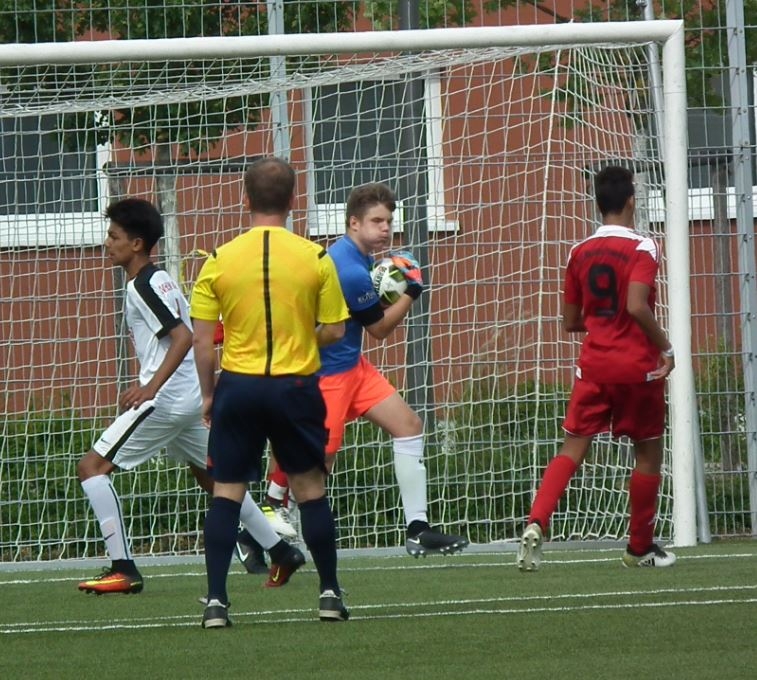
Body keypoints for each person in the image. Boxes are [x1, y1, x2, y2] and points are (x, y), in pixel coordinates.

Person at [77, 198, 304, 595]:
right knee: (215, 479)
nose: (107, 243)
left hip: (166, 401)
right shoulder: (159, 279)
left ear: (136, 244)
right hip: (187, 398)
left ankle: (123, 568)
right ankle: (280, 550)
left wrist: (150, 388)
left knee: (92, 467)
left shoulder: (142, 285)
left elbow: (182, 337)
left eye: (113, 236)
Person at [256, 182, 468, 558]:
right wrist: (411, 290)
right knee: (317, 462)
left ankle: (417, 529)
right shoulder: (350, 269)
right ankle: (266, 526)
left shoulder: (357, 257)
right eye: (377, 221)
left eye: (389, 221)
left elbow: (363, 312)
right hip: (329, 374)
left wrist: (390, 281)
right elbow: (379, 329)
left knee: (408, 426)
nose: (386, 229)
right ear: (354, 222)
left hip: (353, 366)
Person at [190, 157, 351, 628]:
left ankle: (216, 602)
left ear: (245, 199)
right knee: (310, 490)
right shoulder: (315, 258)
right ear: (293, 201)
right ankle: (329, 594)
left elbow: (202, 341)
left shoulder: (218, 259)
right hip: (294, 386)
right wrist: (299, 339)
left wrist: (208, 395)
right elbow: (336, 330)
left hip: (238, 387)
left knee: (226, 493)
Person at [517, 165, 677, 572]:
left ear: (598, 204)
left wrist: (604, 325)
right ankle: (639, 548)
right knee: (647, 453)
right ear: (631, 201)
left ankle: (537, 520)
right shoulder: (644, 247)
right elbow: (636, 305)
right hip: (636, 368)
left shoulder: (579, 252)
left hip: (593, 366)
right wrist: (666, 348)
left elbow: (571, 321)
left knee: (572, 448)